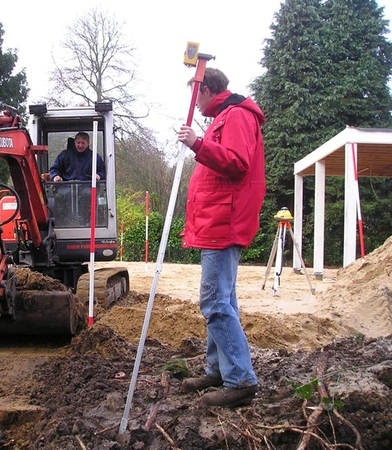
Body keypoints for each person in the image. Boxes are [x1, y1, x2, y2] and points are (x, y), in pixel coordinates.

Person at [177, 68, 266, 408]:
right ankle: (218, 369)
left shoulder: (238, 116)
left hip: (224, 221)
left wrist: (197, 143)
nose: (194, 104)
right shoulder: (224, 117)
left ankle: (240, 379)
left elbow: (237, 163)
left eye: (195, 95)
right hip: (217, 220)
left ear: (208, 90)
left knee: (214, 301)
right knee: (223, 300)